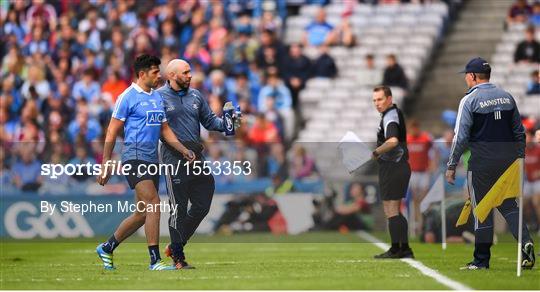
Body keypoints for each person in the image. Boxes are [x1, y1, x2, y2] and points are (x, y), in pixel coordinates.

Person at [96, 54, 195, 271]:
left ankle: (107, 247)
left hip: (152, 158)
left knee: (142, 213)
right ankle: (155, 261)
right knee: (154, 203)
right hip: (133, 157)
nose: (159, 75)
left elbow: (165, 130)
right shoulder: (127, 97)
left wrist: (182, 149)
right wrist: (106, 162)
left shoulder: (157, 98)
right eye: (154, 72)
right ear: (142, 74)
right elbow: (112, 130)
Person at [445, 57, 535, 270]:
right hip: (508, 162)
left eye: (467, 75)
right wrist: (519, 158)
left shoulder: (469, 100)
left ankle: (481, 260)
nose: (466, 78)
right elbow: (519, 133)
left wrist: (451, 165)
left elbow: (461, 137)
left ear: (473, 76)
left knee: (482, 210)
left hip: (482, 164)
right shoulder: (507, 97)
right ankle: (526, 242)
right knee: (509, 206)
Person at [157, 59, 239, 269]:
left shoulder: (196, 95)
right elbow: (160, 131)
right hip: (173, 158)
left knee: (202, 204)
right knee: (178, 209)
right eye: (185, 72)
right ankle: (178, 257)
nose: (190, 75)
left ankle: (177, 243)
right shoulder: (158, 97)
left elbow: (211, 122)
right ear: (172, 75)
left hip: (196, 156)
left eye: (190, 71)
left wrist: (230, 123)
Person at [371, 85, 414, 259]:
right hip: (397, 166)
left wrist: (375, 152)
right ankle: (404, 248)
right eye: (374, 100)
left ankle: (397, 249)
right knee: (394, 209)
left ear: (389, 99)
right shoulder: (391, 114)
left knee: (391, 209)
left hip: (394, 167)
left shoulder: (390, 116)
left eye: (380, 99)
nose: (377, 103)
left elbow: (393, 141)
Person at [406, 118, 434, 235]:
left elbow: (433, 152)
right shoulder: (407, 139)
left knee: (423, 198)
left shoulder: (426, 139)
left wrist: (433, 165)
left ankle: (423, 223)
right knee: (414, 199)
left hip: (423, 172)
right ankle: (415, 224)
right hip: (412, 172)